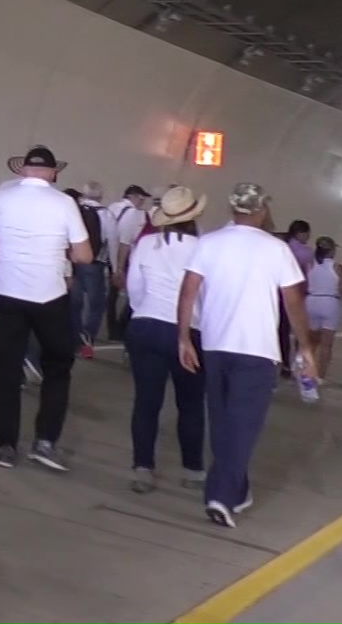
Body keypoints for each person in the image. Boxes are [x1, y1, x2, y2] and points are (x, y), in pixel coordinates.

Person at [177, 183, 315, 528]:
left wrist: (183, 338)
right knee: (244, 425)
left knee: (222, 421)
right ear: (262, 209)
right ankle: (220, 496)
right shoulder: (276, 249)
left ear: (232, 208)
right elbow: (293, 301)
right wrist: (305, 346)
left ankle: (237, 491)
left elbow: (188, 291)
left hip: (215, 345)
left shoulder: (208, 243)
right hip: (256, 349)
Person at [0, 145, 92, 471]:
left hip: (7, 293)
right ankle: (45, 442)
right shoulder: (64, 203)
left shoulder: (3, 198)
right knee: (57, 367)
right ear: (52, 173)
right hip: (49, 295)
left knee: (5, 370)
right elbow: (84, 255)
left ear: (23, 171)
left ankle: (5, 445)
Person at [123, 186, 205, 494]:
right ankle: (193, 469)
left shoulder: (145, 243)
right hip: (186, 331)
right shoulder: (202, 247)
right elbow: (207, 296)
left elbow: (134, 288)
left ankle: (142, 468)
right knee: (190, 404)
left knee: (146, 402)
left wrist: (144, 311)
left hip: (145, 326)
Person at [103, 184, 149, 342]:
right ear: (133, 196)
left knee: (112, 295)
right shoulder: (133, 214)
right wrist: (120, 268)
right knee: (132, 293)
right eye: (141, 198)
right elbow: (125, 242)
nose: (142, 202)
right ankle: (119, 329)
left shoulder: (113, 207)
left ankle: (112, 327)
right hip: (124, 257)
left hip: (107, 254)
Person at [72, 182, 112, 359]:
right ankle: (87, 337)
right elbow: (113, 241)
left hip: (73, 261)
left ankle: (74, 337)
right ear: (100, 195)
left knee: (75, 303)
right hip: (95, 263)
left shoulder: (74, 211)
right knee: (96, 304)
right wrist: (115, 268)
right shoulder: (106, 214)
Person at [303, 236, 342, 384]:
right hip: (330, 303)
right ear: (331, 250)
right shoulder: (337, 267)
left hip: (311, 301)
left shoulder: (309, 265)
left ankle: (307, 371)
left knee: (312, 342)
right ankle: (320, 376)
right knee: (326, 344)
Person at [276, 221, 315, 377]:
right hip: (297, 295)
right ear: (300, 233)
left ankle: (284, 363)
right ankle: (300, 363)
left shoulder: (283, 247)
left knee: (282, 332)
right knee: (300, 330)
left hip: (279, 295)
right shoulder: (304, 252)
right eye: (306, 234)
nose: (308, 237)